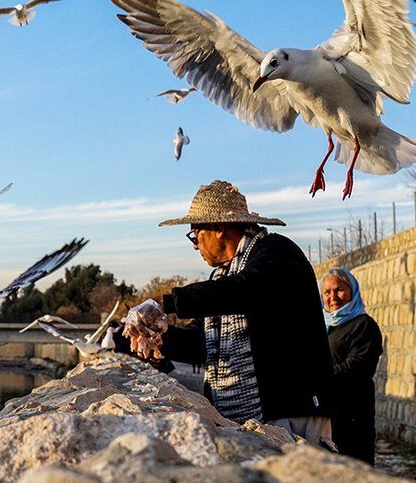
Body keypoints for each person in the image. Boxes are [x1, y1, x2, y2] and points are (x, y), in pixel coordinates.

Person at [123, 180, 334, 445]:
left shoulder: (277, 252)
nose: (195, 245)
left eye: (195, 234)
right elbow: (203, 342)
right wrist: (158, 339)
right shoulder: (223, 276)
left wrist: (164, 304)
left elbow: (244, 290)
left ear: (219, 228)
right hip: (250, 416)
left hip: (290, 410)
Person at [320, 267, 383, 464]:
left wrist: (319, 378)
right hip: (328, 415)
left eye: (339, 289)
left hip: (353, 414)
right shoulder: (326, 326)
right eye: (327, 292)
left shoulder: (363, 325)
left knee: (355, 468)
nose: (333, 297)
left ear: (352, 290)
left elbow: (357, 366)